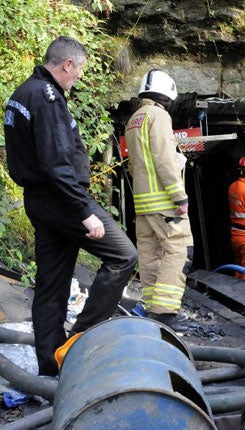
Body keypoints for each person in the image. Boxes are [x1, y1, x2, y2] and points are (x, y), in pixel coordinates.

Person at [3, 36, 138, 376]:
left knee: (51, 285)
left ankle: (51, 367)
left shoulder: (21, 95)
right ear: (67, 65)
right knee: (124, 255)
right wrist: (84, 211)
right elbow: (57, 163)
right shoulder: (47, 98)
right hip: (63, 200)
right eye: (78, 70)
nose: (78, 77)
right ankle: (79, 341)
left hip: (40, 201)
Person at [124, 69, 194, 327]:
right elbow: (163, 158)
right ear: (167, 95)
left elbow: (137, 163)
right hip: (164, 203)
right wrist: (179, 196)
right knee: (180, 251)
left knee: (151, 255)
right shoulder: (159, 116)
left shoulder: (134, 119)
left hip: (143, 205)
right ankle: (164, 313)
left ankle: (151, 308)